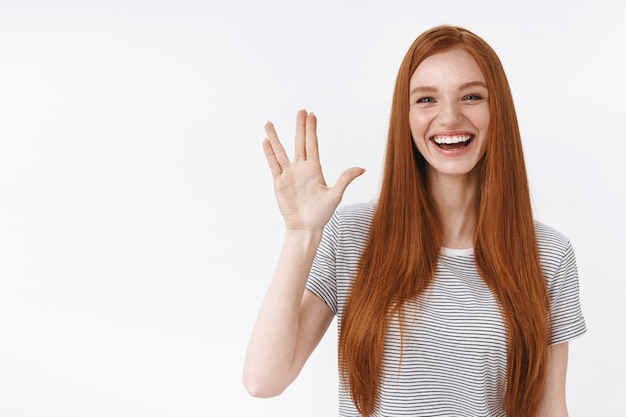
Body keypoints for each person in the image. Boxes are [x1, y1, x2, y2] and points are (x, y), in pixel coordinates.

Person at [243, 25, 586, 417]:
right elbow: (263, 380)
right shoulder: (353, 235)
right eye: (426, 99)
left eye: (471, 96)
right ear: (405, 117)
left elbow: (550, 408)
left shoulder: (549, 255)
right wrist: (301, 233)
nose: (450, 116)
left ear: (498, 111)